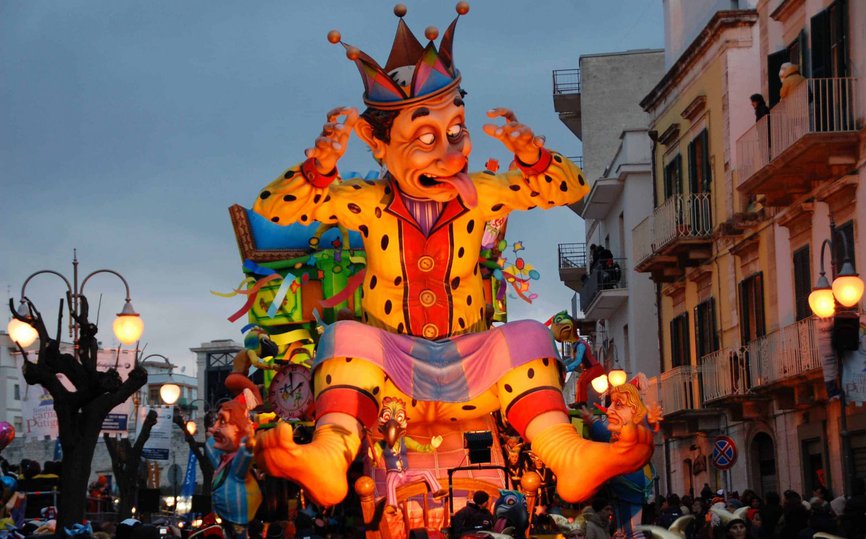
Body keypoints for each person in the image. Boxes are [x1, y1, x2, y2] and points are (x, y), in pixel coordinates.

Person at [253, 4, 653, 508]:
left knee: (530, 334)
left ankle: (564, 450)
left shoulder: (481, 192)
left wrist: (531, 157)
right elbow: (273, 206)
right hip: (389, 380)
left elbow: (566, 187)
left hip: (470, 367)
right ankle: (332, 452)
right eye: (425, 138)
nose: (452, 153)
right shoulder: (365, 202)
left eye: (456, 130)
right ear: (377, 144)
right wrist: (318, 168)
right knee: (344, 335)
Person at [205, 393, 263, 539]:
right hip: (228, 517)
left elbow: (244, 456)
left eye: (222, 421)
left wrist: (246, 445)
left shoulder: (236, 462)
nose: (217, 425)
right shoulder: (222, 460)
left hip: (239, 518)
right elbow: (211, 446)